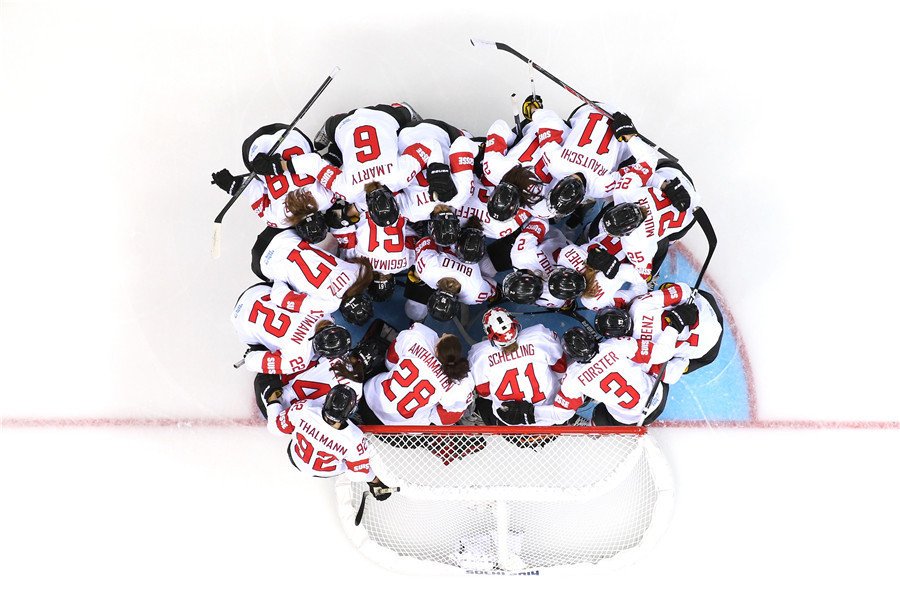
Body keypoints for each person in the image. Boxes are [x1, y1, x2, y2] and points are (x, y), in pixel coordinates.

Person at [274, 103, 449, 209]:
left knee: (408, 131)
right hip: (343, 124)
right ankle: (330, 125)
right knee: (324, 145)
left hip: (385, 115)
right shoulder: (348, 191)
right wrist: (279, 165)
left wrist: (438, 174)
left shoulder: (400, 177)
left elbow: (430, 145)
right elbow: (313, 163)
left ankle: (403, 110)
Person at [259, 382, 392, 500]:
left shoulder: (305, 408)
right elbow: (356, 475)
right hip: (326, 472)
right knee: (357, 459)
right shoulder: (355, 438)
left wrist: (272, 401)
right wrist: (376, 481)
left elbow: (275, 428)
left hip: (295, 456)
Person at [519, 326, 670, 426]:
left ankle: (592, 428)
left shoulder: (572, 378)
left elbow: (561, 414)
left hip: (629, 420)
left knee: (599, 415)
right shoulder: (615, 345)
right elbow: (661, 353)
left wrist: (531, 413)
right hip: (660, 396)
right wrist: (673, 327)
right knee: (654, 366)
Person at [210, 123, 337, 229]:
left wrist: (280, 166)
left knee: (321, 159)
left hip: (291, 134)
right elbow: (254, 189)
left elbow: (321, 162)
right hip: (255, 146)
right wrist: (233, 185)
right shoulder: (278, 220)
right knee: (259, 171)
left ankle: (332, 126)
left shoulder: (327, 199)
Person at [250, 226, 374, 326]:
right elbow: (278, 296)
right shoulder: (327, 305)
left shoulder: (358, 271)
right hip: (262, 261)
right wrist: (281, 276)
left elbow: (348, 252)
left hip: (281, 233)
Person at [607, 282, 724, 384]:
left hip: (707, 351)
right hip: (709, 310)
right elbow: (683, 290)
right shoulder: (638, 306)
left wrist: (681, 359)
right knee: (666, 287)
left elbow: (670, 374)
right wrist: (681, 312)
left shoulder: (633, 352)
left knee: (672, 367)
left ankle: (683, 357)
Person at [359, 324, 475, 426]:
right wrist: (429, 413)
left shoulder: (417, 337)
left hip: (365, 399)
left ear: (436, 349)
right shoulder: (458, 386)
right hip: (390, 429)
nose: (443, 334)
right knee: (431, 421)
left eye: (442, 336)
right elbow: (445, 419)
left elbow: (389, 361)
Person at [468, 308, 568, 425]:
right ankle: (575, 409)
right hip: (551, 416)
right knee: (568, 377)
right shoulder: (539, 335)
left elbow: (484, 392)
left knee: (480, 400)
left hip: (511, 425)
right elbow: (561, 368)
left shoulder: (479, 354)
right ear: (514, 324)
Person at [230, 282, 350, 375]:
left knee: (295, 295)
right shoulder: (299, 360)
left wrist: (279, 279)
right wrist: (251, 356)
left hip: (256, 292)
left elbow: (283, 291)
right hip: (240, 321)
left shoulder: (324, 312)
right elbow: (252, 362)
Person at [405, 234, 497, 322]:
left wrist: (417, 265)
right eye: (452, 291)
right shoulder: (474, 294)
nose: (450, 284)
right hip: (474, 246)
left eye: (444, 288)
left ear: (434, 292)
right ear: (458, 300)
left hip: (448, 236)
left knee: (415, 311)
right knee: (490, 269)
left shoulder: (427, 270)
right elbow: (492, 287)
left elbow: (427, 240)